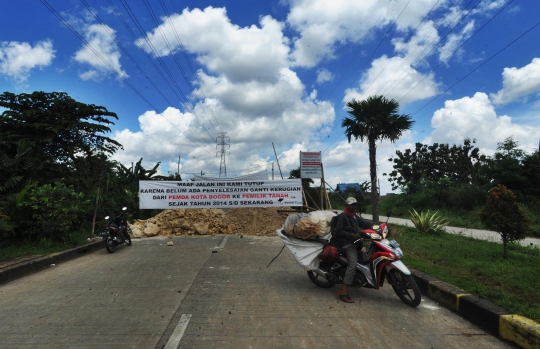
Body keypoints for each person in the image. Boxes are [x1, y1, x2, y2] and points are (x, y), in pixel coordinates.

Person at [331, 197, 372, 303]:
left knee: (363, 259)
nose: (354, 206)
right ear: (346, 206)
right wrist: (351, 235)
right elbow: (338, 232)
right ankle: (343, 290)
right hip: (345, 243)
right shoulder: (342, 216)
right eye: (352, 204)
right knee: (353, 264)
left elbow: (364, 224)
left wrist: (379, 225)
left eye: (355, 204)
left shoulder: (354, 216)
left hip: (354, 242)